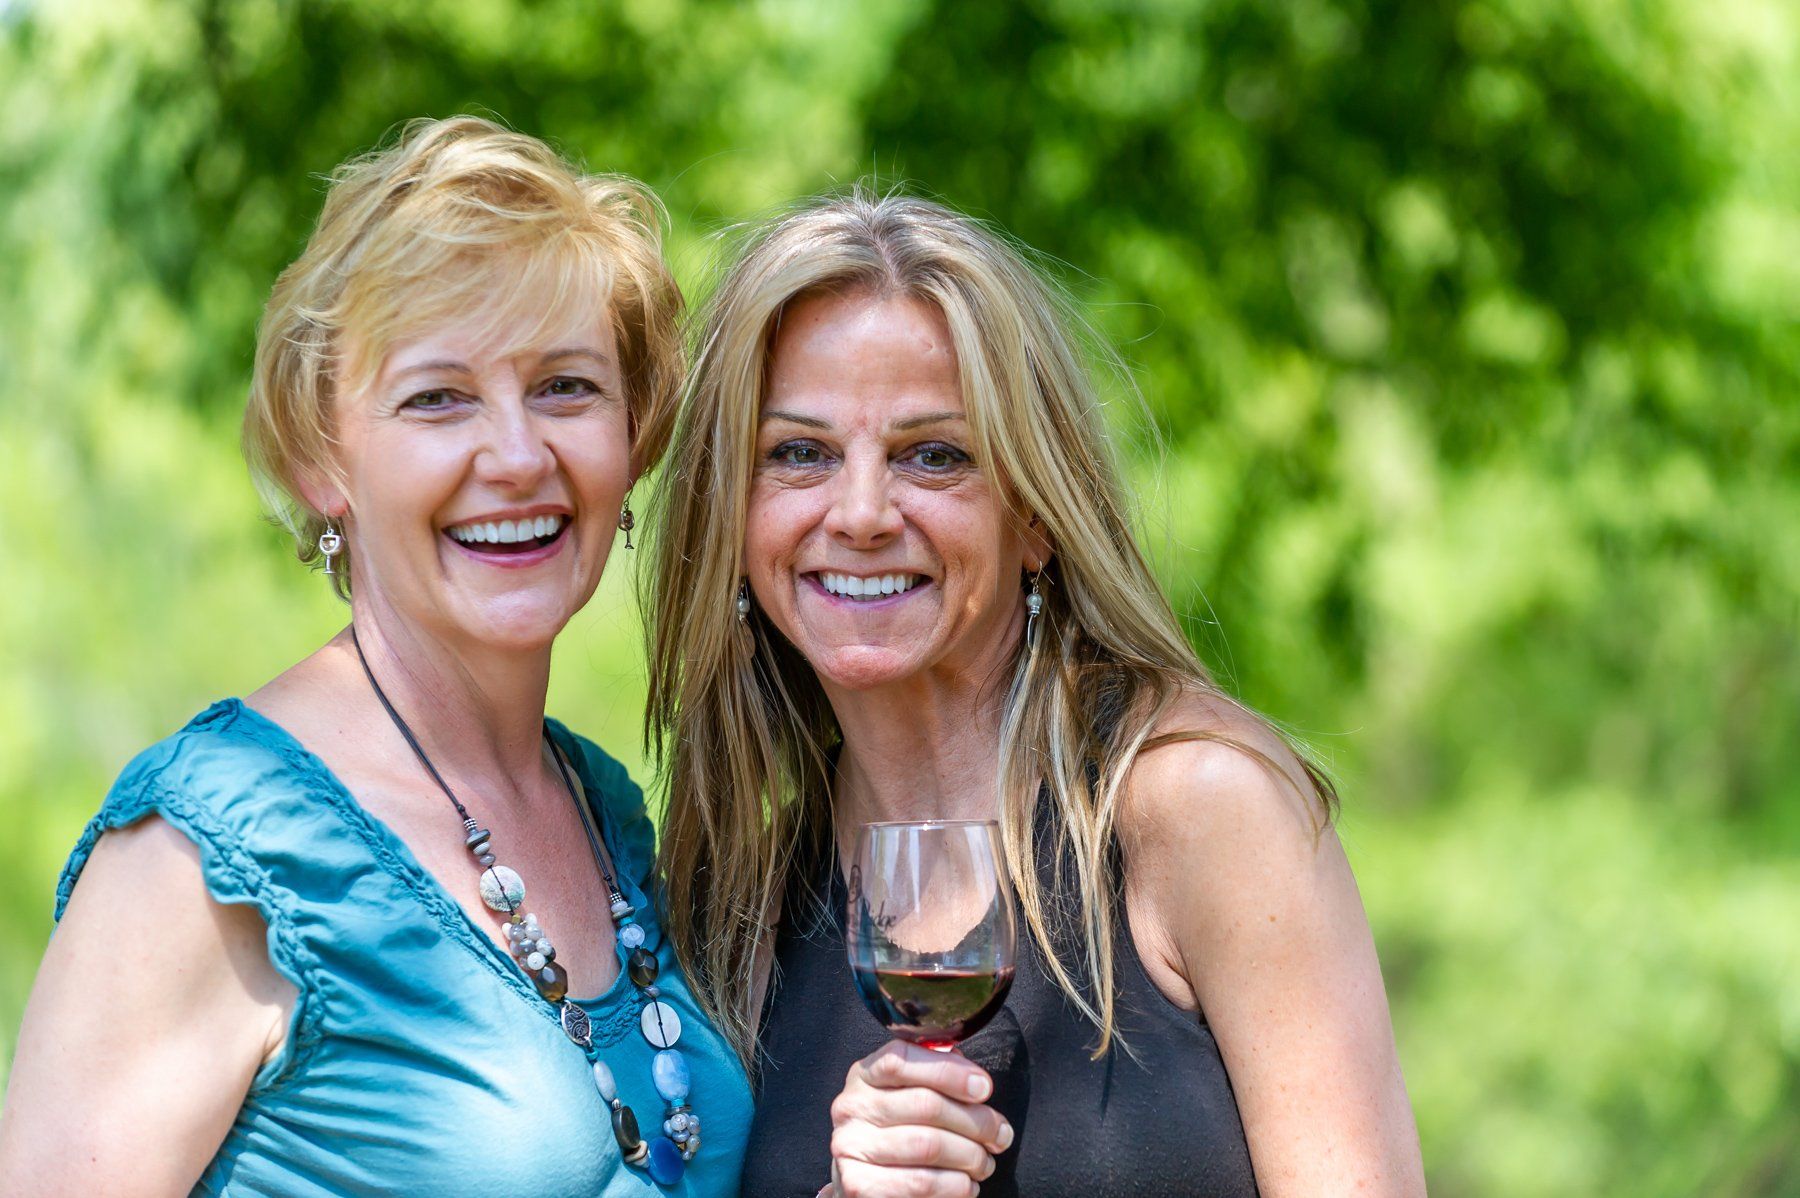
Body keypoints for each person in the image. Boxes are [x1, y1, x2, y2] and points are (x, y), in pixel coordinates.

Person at [0, 117, 751, 1195]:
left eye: (566, 387)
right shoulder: (200, 860)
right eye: (437, 397)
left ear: (631, 438)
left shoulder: (603, 812)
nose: (517, 454)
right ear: (322, 459)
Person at [645, 189, 1427, 1197]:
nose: (863, 512)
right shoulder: (736, 906)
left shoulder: (1200, 811)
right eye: (799, 453)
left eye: (935, 455)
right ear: (730, 516)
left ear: (1037, 515)